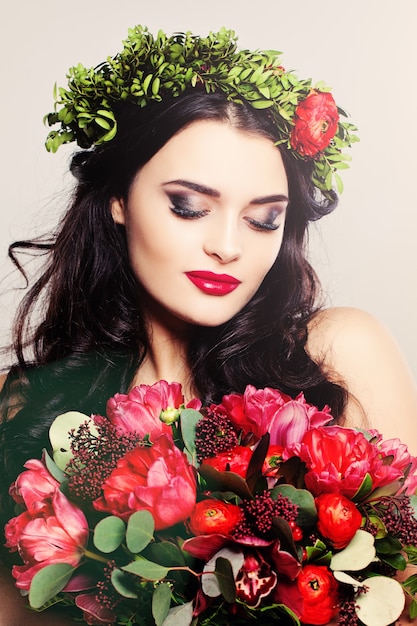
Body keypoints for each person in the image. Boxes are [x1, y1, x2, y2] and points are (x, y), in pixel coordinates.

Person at [0, 25, 416, 626]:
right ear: (118, 197)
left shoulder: (337, 354)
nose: (227, 247)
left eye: (263, 219)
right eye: (188, 207)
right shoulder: (29, 405)